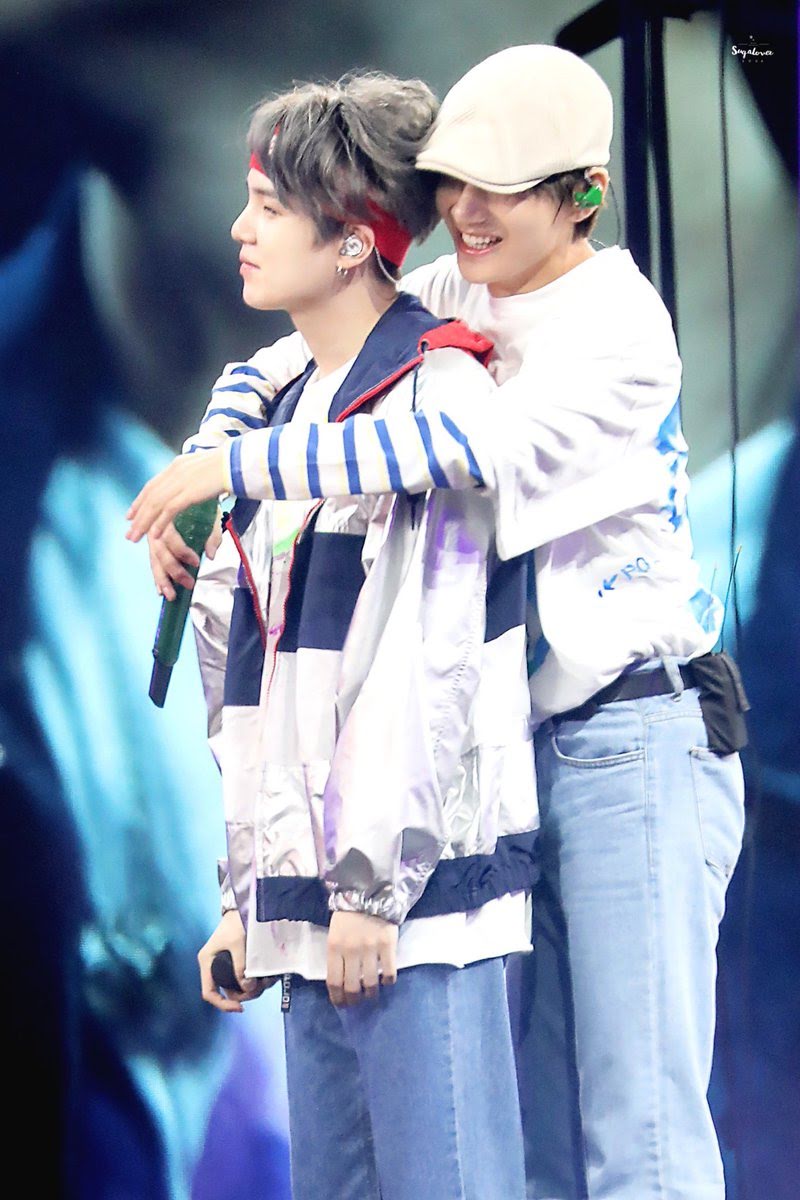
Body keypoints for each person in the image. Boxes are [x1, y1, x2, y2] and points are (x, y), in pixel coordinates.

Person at [129, 44, 747, 1200]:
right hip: (503, 752)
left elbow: (453, 448)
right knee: (541, 1141)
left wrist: (234, 469)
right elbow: (284, 362)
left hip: (629, 735)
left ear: (582, 194)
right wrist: (203, 466)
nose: (463, 211)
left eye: (497, 189)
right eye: (452, 182)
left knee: (638, 1137)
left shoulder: (619, 324)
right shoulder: (462, 285)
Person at [135, 71, 537, 1200]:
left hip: (416, 906)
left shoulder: (434, 388)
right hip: (312, 913)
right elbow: (251, 684)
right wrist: (248, 898)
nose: (240, 228)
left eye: (269, 206)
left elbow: (428, 656)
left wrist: (370, 889)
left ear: (355, 240)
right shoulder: (274, 405)